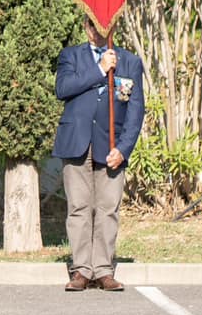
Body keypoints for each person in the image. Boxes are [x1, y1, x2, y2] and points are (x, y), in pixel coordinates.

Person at [53, 18, 145, 292]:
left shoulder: (130, 62)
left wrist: (124, 148)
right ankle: (82, 269)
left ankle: (103, 269)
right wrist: (100, 69)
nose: (97, 31)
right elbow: (63, 89)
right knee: (79, 207)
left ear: (113, 27)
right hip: (77, 143)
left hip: (111, 146)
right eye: (92, 25)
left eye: (102, 25)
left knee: (108, 208)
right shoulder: (71, 56)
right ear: (85, 26)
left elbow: (136, 110)